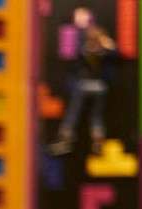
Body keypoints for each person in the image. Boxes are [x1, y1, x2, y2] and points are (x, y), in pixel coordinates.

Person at [49, 7, 116, 156]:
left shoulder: (82, 46)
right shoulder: (103, 46)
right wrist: (107, 46)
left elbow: (71, 60)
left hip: (83, 84)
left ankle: (65, 140)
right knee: (96, 116)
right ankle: (97, 141)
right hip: (100, 86)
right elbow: (113, 54)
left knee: (73, 113)